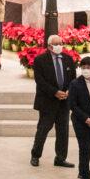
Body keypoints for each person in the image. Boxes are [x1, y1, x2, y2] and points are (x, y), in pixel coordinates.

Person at [30, 35, 76, 169]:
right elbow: (40, 81)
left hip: (64, 102)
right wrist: (55, 92)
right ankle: (35, 155)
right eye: (56, 44)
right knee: (43, 129)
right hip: (47, 101)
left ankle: (60, 158)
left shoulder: (68, 59)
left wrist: (68, 91)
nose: (59, 46)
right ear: (49, 46)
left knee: (63, 131)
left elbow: (73, 78)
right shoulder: (40, 60)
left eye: (61, 43)